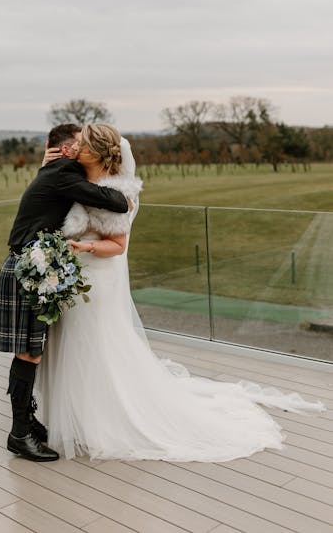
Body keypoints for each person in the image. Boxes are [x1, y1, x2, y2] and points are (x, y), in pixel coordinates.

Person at [36, 123, 325, 462]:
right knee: (70, 341)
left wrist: (82, 247)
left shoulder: (116, 193)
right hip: (72, 276)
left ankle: (96, 418)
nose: (73, 149)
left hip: (94, 277)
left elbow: (116, 245)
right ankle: (72, 412)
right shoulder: (75, 180)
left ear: (96, 153)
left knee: (91, 344)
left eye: (80, 145)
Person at [0, 123, 130, 462]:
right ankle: (19, 435)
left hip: (30, 266)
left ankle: (28, 424)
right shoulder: (63, 172)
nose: (80, 148)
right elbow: (117, 203)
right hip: (27, 267)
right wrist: (124, 194)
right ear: (66, 150)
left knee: (30, 350)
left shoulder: (56, 170)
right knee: (29, 354)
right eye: (78, 144)